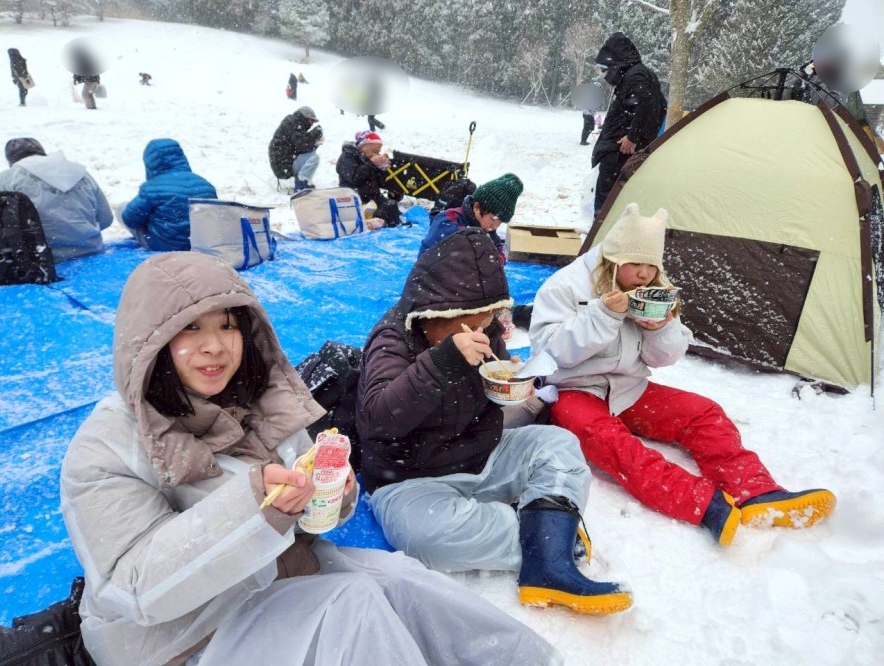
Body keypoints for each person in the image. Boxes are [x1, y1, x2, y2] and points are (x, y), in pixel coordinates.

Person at [60, 251, 562, 666]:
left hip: (283, 576)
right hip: (184, 637)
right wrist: (255, 509)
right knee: (353, 609)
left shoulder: (260, 402)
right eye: (189, 328)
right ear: (150, 343)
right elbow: (136, 590)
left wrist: (333, 497)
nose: (214, 346)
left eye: (228, 326)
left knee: (411, 586)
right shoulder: (108, 444)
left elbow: (308, 517)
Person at [357, 228, 632, 616]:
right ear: (432, 313)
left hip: (480, 454)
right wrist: (443, 361)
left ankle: (546, 554)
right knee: (426, 539)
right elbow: (378, 420)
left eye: (487, 318)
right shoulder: (393, 341)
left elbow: (492, 372)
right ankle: (552, 537)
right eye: (468, 323)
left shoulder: (484, 327)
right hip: (411, 478)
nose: (480, 330)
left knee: (557, 444)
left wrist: (512, 378)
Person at [528, 202, 837, 546]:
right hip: (573, 390)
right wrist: (603, 316)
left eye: (651, 266)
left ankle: (755, 491)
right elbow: (551, 353)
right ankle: (704, 504)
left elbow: (665, 357)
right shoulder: (565, 287)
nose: (644, 274)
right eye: (635, 265)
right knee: (609, 441)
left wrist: (660, 328)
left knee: (703, 412)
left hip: (628, 388)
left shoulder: (654, 289)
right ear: (613, 259)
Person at [0, 138, 113, 262]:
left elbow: (0, 226)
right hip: (93, 252)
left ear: (11, 160)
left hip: (45, 260)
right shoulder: (80, 172)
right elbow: (106, 219)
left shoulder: (8, 177)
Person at [591, 32, 666, 216]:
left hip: (619, 153)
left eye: (605, 69)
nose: (604, 74)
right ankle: (604, 226)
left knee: (609, 201)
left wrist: (633, 137)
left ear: (617, 63)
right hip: (619, 151)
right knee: (615, 200)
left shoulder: (636, 75)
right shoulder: (637, 74)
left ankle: (602, 229)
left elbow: (646, 104)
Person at [120, 138, 217, 251]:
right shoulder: (205, 184)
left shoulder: (152, 188)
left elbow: (130, 220)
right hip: (199, 244)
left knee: (123, 208)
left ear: (150, 163)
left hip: (163, 245)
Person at [419, 172, 522, 264]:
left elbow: (499, 248)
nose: (494, 227)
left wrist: (498, 258)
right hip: (429, 275)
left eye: (499, 223)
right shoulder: (448, 220)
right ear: (477, 208)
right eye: (493, 220)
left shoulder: (487, 228)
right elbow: (466, 251)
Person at [336, 130, 402, 229]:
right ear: (363, 146)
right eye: (375, 151)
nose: (377, 153)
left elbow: (379, 183)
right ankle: (376, 222)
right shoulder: (347, 157)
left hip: (373, 199)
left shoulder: (367, 158)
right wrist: (372, 164)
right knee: (386, 213)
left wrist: (382, 169)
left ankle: (385, 223)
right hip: (355, 201)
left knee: (391, 206)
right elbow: (355, 179)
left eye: (378, 151)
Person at [268, 105, 323, 192]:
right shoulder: (293, 123)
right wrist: (315, 133)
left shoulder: (294, 122)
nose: (312, 124)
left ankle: (303, 182)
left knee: (311, 155)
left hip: (284, 163)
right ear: (305, 117)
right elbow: (302, 145)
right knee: (314, 158)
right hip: (283, 165)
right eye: (311, 120)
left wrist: (315, 144)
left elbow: (301, 148)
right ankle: (301, 185)